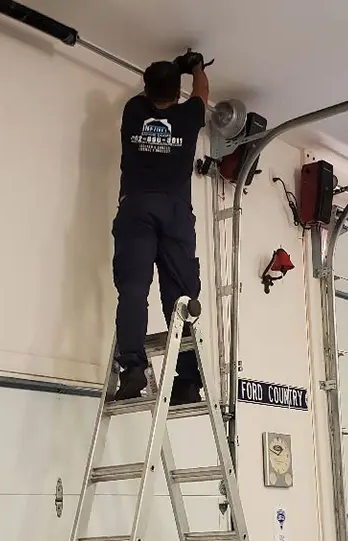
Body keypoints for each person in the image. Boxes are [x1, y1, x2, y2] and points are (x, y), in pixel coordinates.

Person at [111, 51, 210, 404]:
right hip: (175, 212)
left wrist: (171, 71)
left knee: (134, 290)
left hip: (136, 207)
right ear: (176, 91)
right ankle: (186, 382)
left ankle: (133, 370)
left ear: (147, 88)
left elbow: (145, 95)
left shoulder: (134, 112)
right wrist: (194, 67)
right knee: (179, 298)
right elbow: (202, 93)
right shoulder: (188, 116)